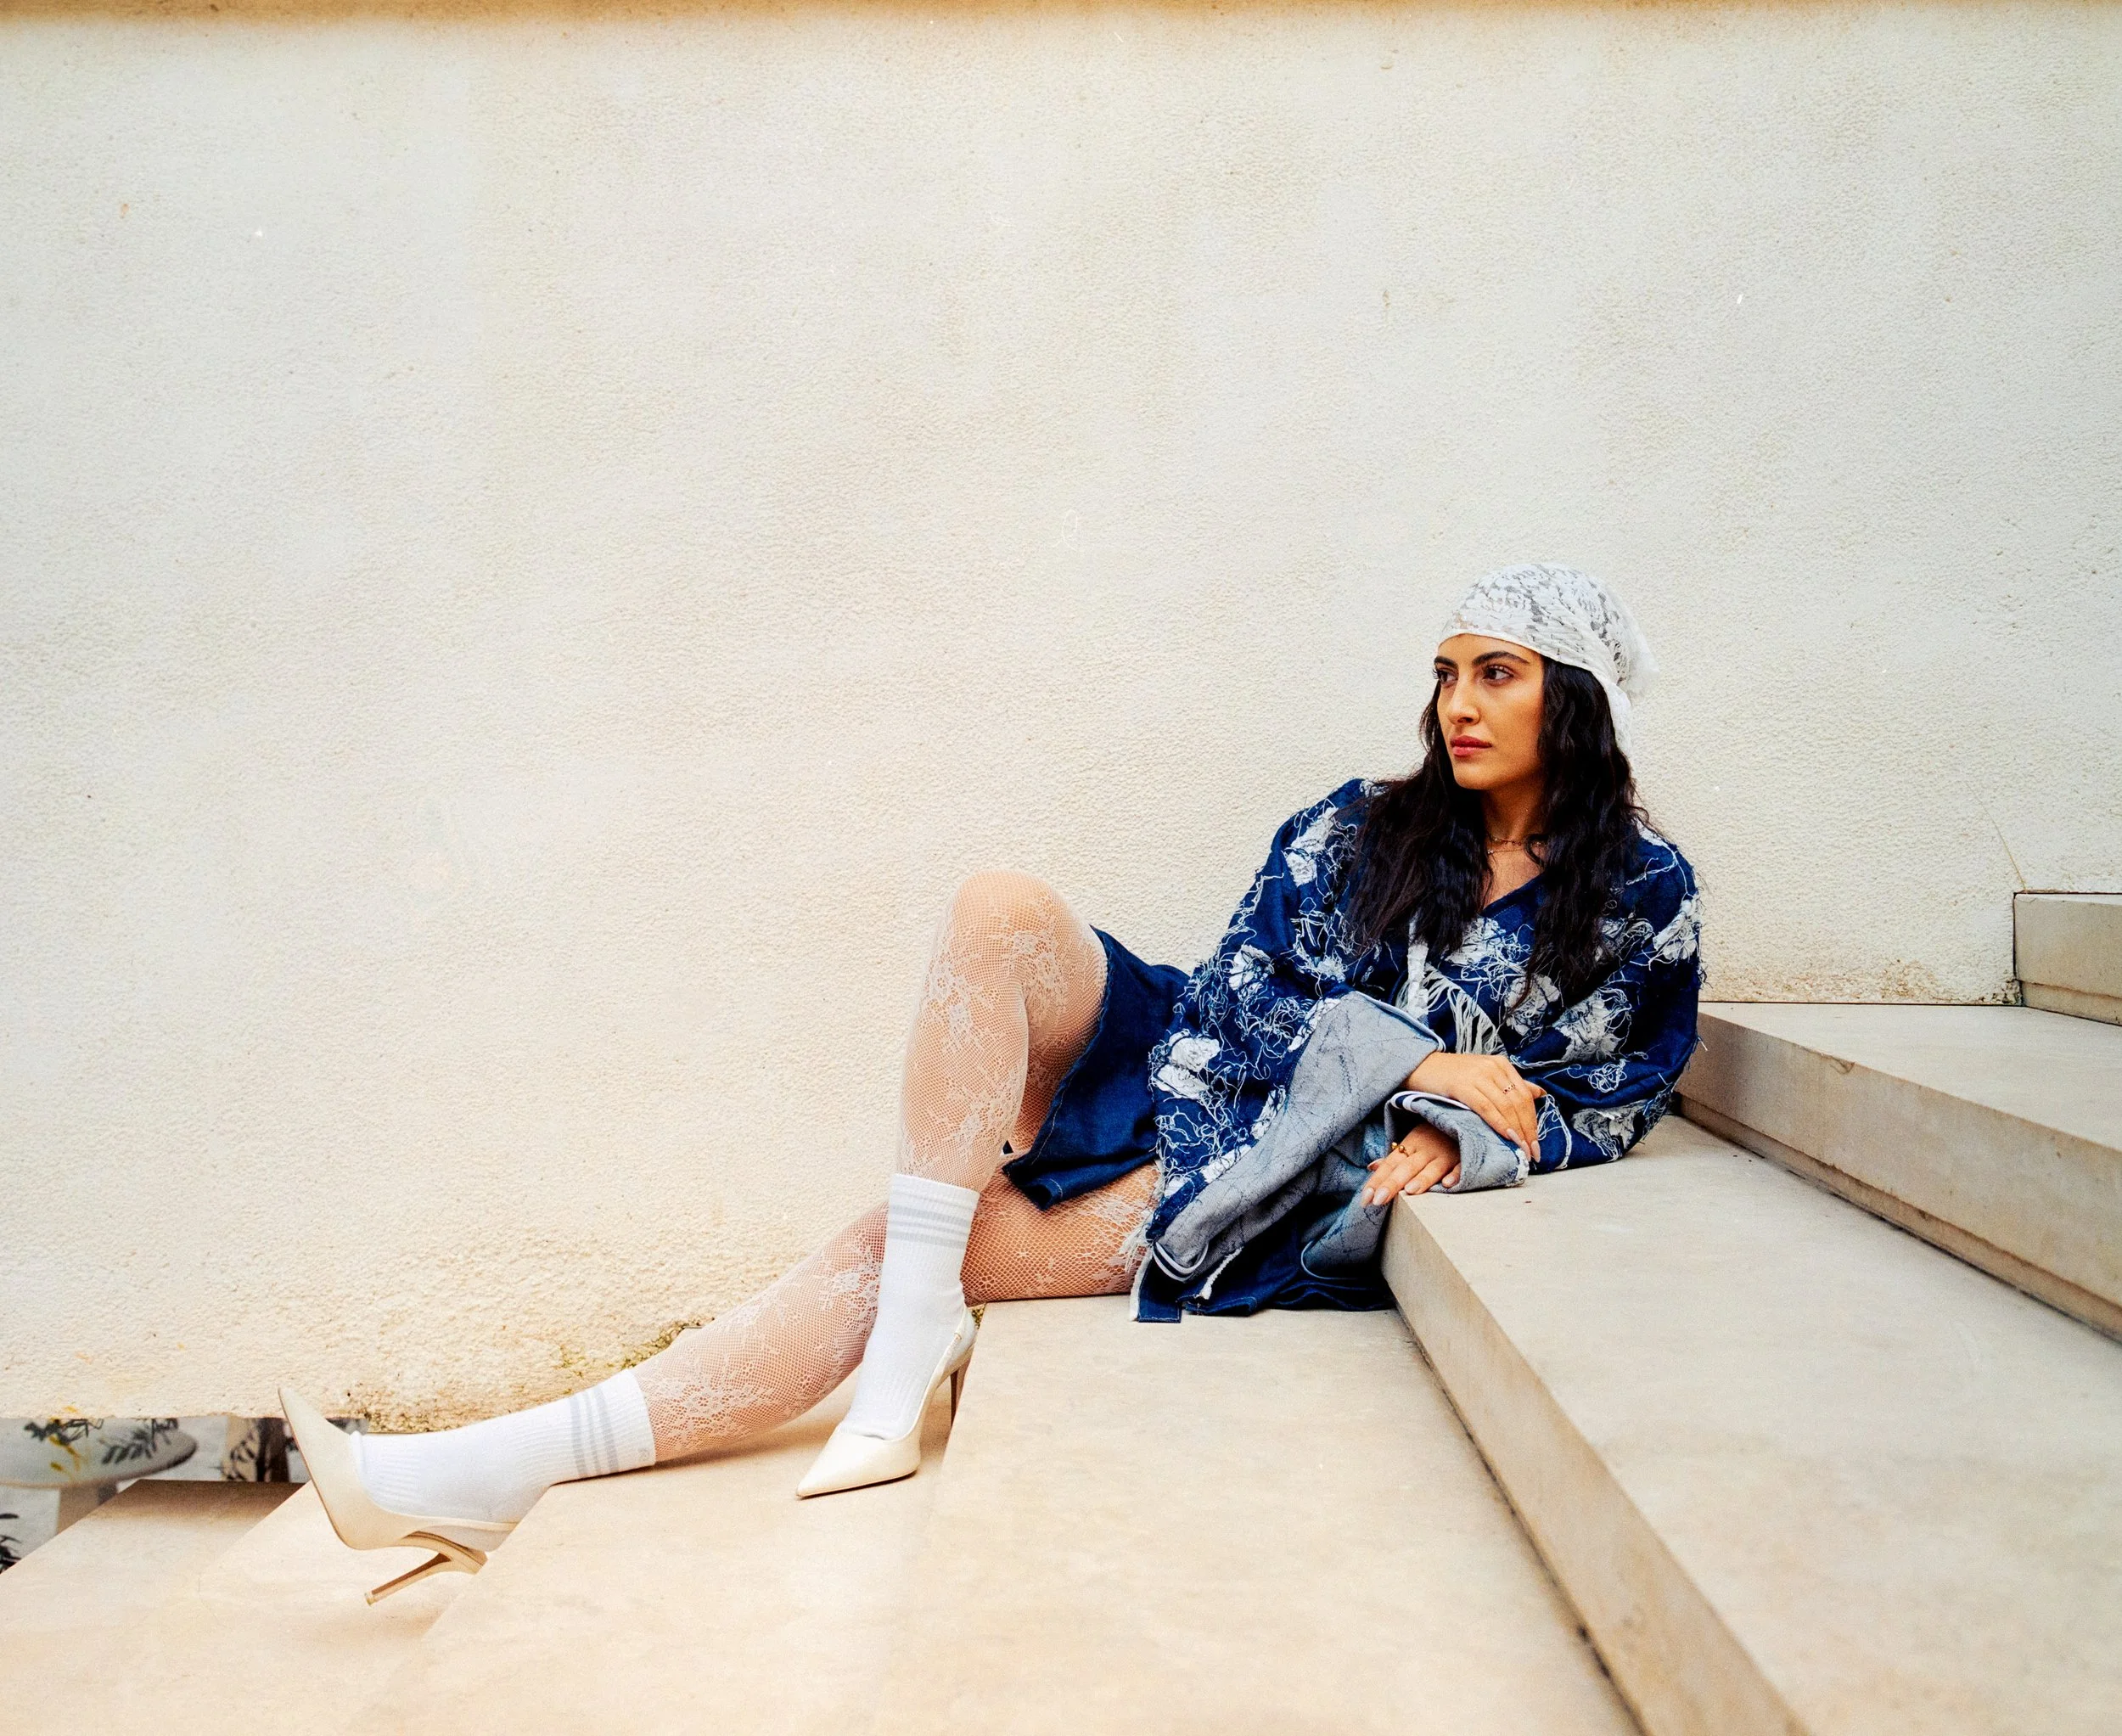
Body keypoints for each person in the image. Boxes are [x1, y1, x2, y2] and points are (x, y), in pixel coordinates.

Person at [283, 562, 1702, 1603]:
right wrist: (1423, 1051)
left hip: (1290, 1171)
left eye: (1495, 675)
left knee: (893, 1243)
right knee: (998, 908)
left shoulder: (1641, 896)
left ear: (1570, 700)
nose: (1456, 704)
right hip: (1204, 1070)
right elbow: (1243, 986)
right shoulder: (1364, 825)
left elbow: (1609, 1092)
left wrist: (1454, 1120)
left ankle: (484, 1475)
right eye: (1446, 672)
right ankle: (908, 1343)